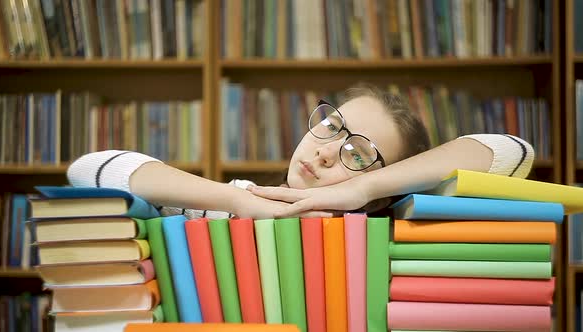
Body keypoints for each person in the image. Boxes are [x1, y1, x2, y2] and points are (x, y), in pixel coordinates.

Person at [67, 83, 534, 220]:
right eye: (333, 127)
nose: (328, 151)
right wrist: (235, 200)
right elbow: (89, 170)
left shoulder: (395, 223)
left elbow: (512, 149)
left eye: (358, 153)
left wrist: (363, 190)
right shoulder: (218, 207)